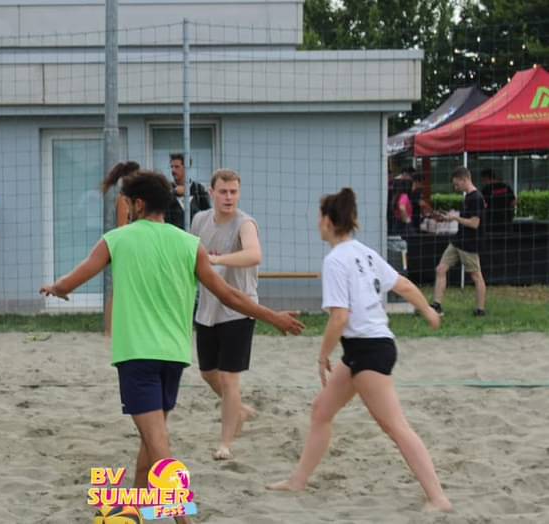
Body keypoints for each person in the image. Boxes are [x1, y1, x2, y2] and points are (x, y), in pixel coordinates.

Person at [40, 171, 304, 524]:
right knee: (151, 438)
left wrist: (56, 288)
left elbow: (75, 278)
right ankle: (133, 510)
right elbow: (229, 295)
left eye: (127, 203)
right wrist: (273, 317)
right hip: (174, 357)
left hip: (137, 356)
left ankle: (182, 518)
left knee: (158, 443)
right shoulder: (189, 244)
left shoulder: (116, 239)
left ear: (137, 204)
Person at [265, 187, 452, 513]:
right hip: (365, 348)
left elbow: (340, 317)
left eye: (319, 217)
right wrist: (428, 311)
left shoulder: (335, 260)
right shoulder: (364, 252)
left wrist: (322, 355)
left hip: (368, 351)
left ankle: (438, 498)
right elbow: (404, 285)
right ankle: (298, 481)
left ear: (328, 221)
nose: (317, 223)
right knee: (321, 410)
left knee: (395, 426)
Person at [191, 169, 261, 460]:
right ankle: (239, 409)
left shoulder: (245, 223)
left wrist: (216, 259)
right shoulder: (199, 220)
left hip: (238, 310)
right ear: (212, 193)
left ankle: (225, 444)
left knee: (230, 379)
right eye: (223, 192)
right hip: (208, 308)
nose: (229, 197)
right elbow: (189, 255)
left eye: (233, 192)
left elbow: (254, 255)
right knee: (207, 373)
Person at [430, 167, 486, 316]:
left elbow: (474, 223)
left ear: (464, 179)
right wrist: (448, 218)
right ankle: (437, 306)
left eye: (457, 184)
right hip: (458, 240)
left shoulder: (476, 198)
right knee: (440, 269)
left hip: (469, 243)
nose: (456, 188)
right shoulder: (468, 197)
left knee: (476, 276)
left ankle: (480, 310)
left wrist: (454, 218)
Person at [101, 161, 141, 336]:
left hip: (129, 247)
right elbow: (122, 227)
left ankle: (118, 328)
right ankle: (109, 330)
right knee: (117, 290)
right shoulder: (124, 199)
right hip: (126, 249)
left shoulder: (129, 199)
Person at [164, 153, 211, 230]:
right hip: (172, 234)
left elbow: (208, 214)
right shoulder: (166, 189)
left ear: (187, 168)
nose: (173, 170)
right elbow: (160, 209)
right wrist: (173, 192)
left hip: (194, 234)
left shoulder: (198, 189)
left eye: (177, 167)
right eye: (171, 167)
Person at [480, 168, 516, 233]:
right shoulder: (506, 187)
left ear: (486, 178)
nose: (483, 182)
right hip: (506, 221)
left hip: (492, 223)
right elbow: (513, 202)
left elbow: (483, 205)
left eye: (483, 180)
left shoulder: (486, 189)